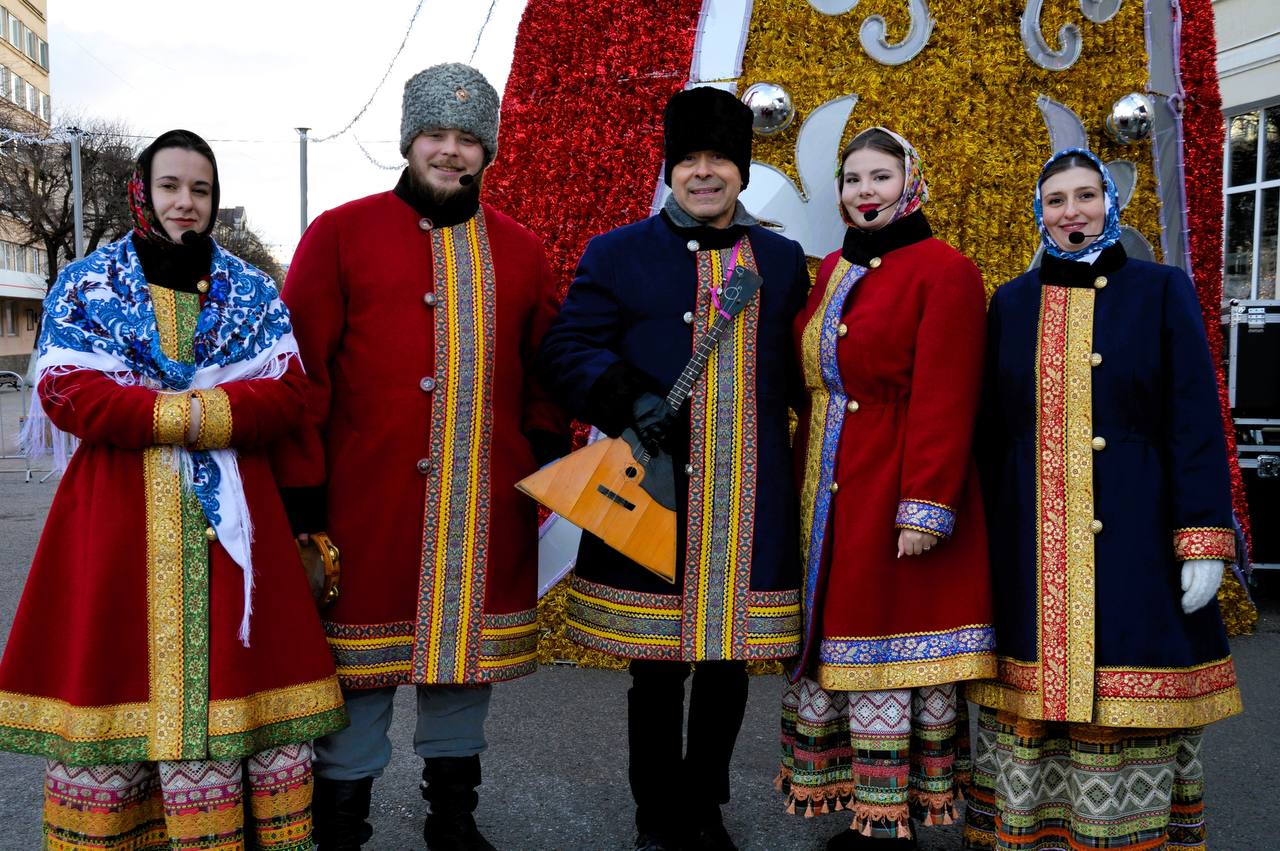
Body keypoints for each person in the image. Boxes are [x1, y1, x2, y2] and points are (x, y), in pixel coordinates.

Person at [0, 129, 346, 848]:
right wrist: (174, 413)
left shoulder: (250, 289)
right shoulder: (89, 283)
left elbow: (289, 394)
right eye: (171, 187)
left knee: (232, 684)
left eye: (200, 189)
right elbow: (65, 390)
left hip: (235, 527)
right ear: (142, 190)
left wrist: (205, 412)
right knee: (118, 663)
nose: (186, 203)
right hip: (116, 512)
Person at [272, 63, 567, 851]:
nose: (450, 152)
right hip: (363, 509)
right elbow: (302, 374)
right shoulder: (339, 232)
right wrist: (303, 501)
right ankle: (341, 824)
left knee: (461, 674)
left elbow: (547, 370)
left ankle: (454, 819)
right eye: (436, 135)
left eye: (468, 140)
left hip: (484, 504)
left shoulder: (524, 251)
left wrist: (539, 455)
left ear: (488, 152)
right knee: (359, 676)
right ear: (409, 141)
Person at [536, 85, 810, 851]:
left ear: (742, 171)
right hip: (655, 492)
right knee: (655, 669)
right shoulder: (618, 252)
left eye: (718, 158)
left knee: (726, 666)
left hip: (750, 499)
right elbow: (565, 350)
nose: (703, 173)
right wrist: (625, 392)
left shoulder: (785, 263)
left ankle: (706, 805)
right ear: (670, 168)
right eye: (688, 159)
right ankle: (656, 812)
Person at [963, 148, 1243, 850]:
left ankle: (1123, 834)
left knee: (1124, 685)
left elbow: (1194, 419)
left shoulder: (1160, 289)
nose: (1072, 212)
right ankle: (1032, 831)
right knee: (1034, 698)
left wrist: (1203, 534)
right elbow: (991, 435)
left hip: (1137, 534)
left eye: (1085, 195)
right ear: (1040, 213)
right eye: (1055, 199)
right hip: (1031, 542)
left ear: (1110, 206)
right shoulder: (1013, 300)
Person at [776, 127, 996, 850]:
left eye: (880, 176)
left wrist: (926, 505)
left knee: (889, 653)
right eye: (852, 179)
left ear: (911, 182)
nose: (864, 191)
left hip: (895, 481)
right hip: (831, 485)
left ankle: (889, 822)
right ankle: (863, 810)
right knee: (842, 648)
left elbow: (946, 392)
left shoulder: (945, 268)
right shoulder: (836, 266)